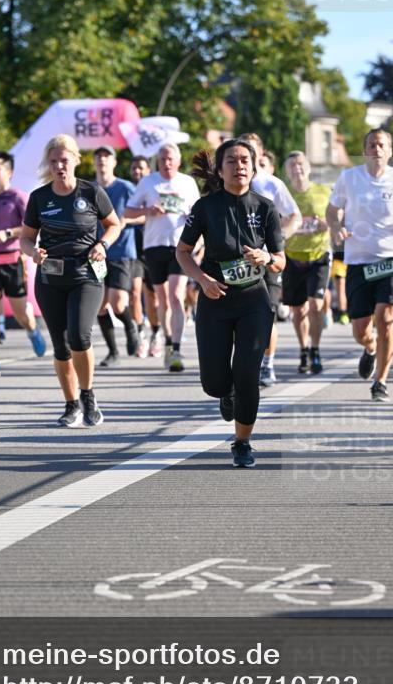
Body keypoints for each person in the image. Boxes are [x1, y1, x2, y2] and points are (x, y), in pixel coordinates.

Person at [176, 139, 285, 467]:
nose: (239, 166)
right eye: (231, 161)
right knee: (215, 382)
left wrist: (266, 257)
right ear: (220, 170)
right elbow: (182, 253)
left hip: (254, 299)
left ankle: (242, 442)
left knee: (247, 373)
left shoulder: (265, 208)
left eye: (244, 161)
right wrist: (203, 280)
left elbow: (280, 260)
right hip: (215, 297)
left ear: (254, 167)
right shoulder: (205, 207)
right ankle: (227, 393)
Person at [21, 134, 121, 427]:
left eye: (64, 160)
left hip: (85, 274)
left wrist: (103, 245)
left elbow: (114, 224)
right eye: (53, 162)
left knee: (79, 335)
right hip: (50, 276)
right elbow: (26, 240)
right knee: (61, 345)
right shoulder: (39, 198)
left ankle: (88, 396)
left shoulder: (91, 192)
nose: (59, 166)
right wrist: (34, 253)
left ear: (76, 160)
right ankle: (70, 404)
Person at [326, 129, 393, 402]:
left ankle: (380, 381)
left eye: (382, 145)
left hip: (390, 258)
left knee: (386, 318)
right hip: (358, 260)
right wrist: (335, 229)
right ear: (365, 149)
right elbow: (332, 210)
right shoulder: (349, 177)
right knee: (361, 330)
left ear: (390, 151)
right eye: (372, 144)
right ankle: (369, 348)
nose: (377, 149)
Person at [124, 142, 200, 372]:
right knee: (162, 300)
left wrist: (191, 217)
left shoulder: (187, 182)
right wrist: (148, 211)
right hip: (154, 246)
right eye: (162, 159)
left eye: (170, 159)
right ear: (158, 162)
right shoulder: (149, 182)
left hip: (180, 246)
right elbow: (128, 211)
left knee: (176, 296)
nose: (166, 163)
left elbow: (199, 212)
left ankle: (175, 348)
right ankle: (168, 341)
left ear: (178, 161)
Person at [0, 151, 46, 379]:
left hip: (13, 259)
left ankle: (32, 330)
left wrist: (9, 232)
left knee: (19, 313)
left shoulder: (18, 197)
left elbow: (33, 227)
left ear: (9, 172)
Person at [238, 132, 302, 386]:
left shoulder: (272, 184)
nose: (246, 158)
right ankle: (243, 362)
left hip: (267, 260)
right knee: (239, 314)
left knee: (266, 313)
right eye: (242, 152)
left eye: (251, 152)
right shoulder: (227, 182)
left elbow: (294, 216)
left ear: (260, 154)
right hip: (236, 262)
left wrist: (277, 240)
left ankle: (268, 363)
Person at [282, 151, 332, 374]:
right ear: (286, 171)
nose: (297, 168)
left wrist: (327, 223)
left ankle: (315, 349)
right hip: (292, 257)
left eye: (301, 164)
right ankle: (303, 349)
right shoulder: (283, 195)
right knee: (298, 310)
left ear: (309, 168)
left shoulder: (323, 191)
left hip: (319, 255)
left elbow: (336, 216)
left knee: (315, 305)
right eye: (292, 165)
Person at [93, 145, 141, 366]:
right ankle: (113, 353)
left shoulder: (126, 187)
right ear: (94, 162)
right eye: (99, 156)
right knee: (99, 306)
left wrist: (127, 220)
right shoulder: (89, 189)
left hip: (122, 252)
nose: (102, 160)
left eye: (107, 156)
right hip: (97, 255)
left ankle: (131, 326)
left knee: (118, 303)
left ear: (114, 162)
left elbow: (145, 214)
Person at [128, 155, 161, 358]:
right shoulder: (127, 190)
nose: (137, 171)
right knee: (133, 292)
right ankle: (140, 332)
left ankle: (156, 334)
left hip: (152, 248)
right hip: (132, 251)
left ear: (148, 171)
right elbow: (122, 214)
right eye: (134, 168)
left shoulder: (154, 189)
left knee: (152, 296)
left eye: (141, 168)